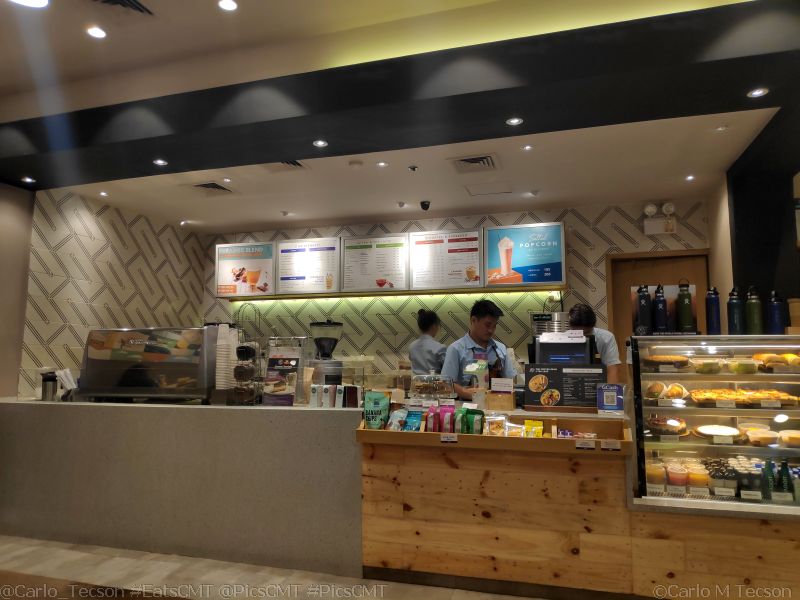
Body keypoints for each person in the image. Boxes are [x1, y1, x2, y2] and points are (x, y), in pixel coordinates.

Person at [441, 300, 517, 400]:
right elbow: (446, 384)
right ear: (473, 320)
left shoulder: (500, 348)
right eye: (487, 325)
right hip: (467, 406)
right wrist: (465, 392)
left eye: (494, 326)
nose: (491, 330)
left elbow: (511, 380)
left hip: (498, 404)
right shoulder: (456, 349)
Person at [567, 303, 622, 384]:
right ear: (571, 327)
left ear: (593, 326)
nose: (583, 337)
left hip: (599, 385)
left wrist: (610, 391)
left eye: (587, 333)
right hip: (570, 384)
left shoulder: (606, 338)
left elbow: (612, 370)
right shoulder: (562, 340)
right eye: (578, 333)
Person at [408, 309, 447, 374]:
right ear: (434, 326)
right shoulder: (440, 347)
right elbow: (447, 368)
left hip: (415, 380)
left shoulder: (411, 346)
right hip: (433, 380)